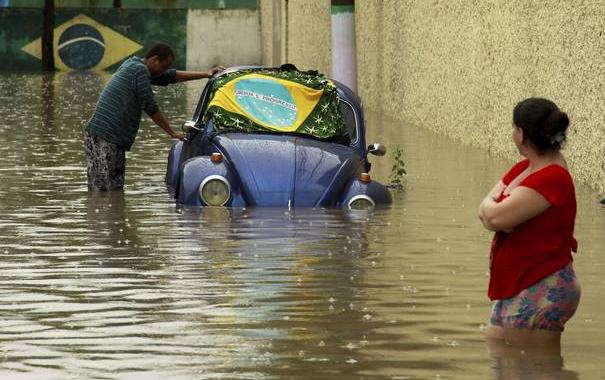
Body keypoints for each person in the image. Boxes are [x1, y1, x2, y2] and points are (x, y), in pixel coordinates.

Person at [478, 97, 581, 348]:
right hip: (520, 283)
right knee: (499, 354)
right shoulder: (524, 168)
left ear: (522, 134)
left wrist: (495, 210)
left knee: (532, 369)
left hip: (541, 284)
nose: (512, 133)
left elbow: (491, 216)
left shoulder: (552, 177)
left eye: (514, 128)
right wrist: (495, 211)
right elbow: (486, 210)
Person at [85, 43, 223, 191]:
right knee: (102, 190)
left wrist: (205, 74)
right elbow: (150, 106)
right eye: (163, 66)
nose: (163, 71)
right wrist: (171, 132)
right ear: (154, 59)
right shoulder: (139, 70)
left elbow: (169, 76)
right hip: (103, 135)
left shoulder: (134, 65)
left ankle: (114, 214)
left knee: (115, 189)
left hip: (114, 137)